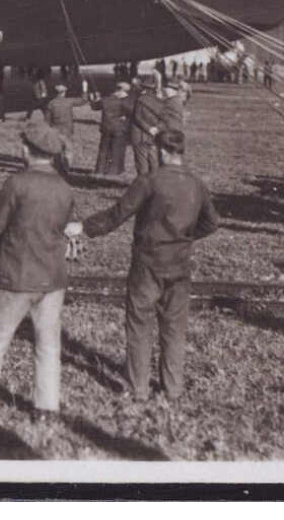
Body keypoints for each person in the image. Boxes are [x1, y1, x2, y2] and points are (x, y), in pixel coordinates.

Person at [80, 129, 220, 401]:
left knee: (139, 324)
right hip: (179, 264)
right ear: (181, 151)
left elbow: (117, 214)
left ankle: (138, 389)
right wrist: (186, 237)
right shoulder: (196, 184)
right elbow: (213, 222)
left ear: (161, 151)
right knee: (174, 327)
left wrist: (84, 228)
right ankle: (173, 388)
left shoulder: (149, 181)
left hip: (147, 263)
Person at [0, 122, 76, 416]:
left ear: (28, 149)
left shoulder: (17, 183)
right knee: (48, 343)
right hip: (53, 277)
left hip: (17, 275)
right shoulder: (65, 188)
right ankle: (46, 406)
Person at [90, 80, 132, 178]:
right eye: (125, 92)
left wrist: (94, 98)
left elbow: (94, 106)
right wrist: (124, 117)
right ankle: (114, 171)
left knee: (103, 150)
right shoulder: (124, 102)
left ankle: (99, 170)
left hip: (106, 128)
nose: (126, 94)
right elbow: (131, 112)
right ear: (120, 91)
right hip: (119, 129)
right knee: (116, 150)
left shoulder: (106, 100)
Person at [127, 75, 165, 177]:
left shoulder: (140, 100)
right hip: (154, 136)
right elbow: (164, 118)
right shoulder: (160, 102)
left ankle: (143, 186)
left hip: (140, 135)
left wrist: (148, 128)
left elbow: (137, 117)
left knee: (142, 162)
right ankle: (155, 184)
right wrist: (157, 128)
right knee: (154, 161)